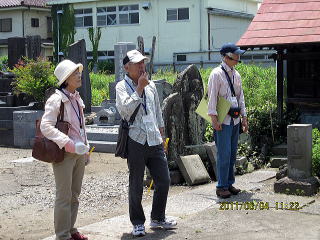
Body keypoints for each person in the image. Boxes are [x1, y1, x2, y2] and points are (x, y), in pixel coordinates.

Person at [116, 49, 177, 237]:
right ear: (127, 67)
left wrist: (162, 134)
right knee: (136, 183)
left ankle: (158, 217)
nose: (142, 66)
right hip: (135, 139)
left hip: (154, 138)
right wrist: (139, 88)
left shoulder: (150, 86)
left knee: (164, 180)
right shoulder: (121, 86)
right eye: (137, 63)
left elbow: (157, 111)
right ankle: (137, 222)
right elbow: (125, 111)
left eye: (143, 62)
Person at [40, 59, 90, 240]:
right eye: (75, 73)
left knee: (75, 195)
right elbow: (45, 126)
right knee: (64, 196)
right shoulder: (56, 99)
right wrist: (68, 142)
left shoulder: (76, 97)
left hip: (78, 153)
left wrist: (85, 149)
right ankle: (62, 236)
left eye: (78, 72)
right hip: (64, 153)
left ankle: (71, 230)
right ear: (65, 79)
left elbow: (81, 127)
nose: (79, 75)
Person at [207, 43, 249, 199]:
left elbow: (240, 97)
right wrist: (213, 118)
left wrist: (244, 117)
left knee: (232, 154)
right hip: (222, 119)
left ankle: (229, 183)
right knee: (223, 153)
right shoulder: (216, 74)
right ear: (227, 57)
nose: (238, 58)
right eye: (235, 55)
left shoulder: (236, 75)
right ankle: (221, 186)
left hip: (235, 119)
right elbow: (211, 97)